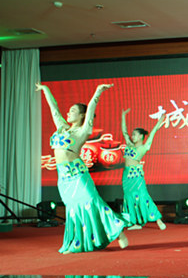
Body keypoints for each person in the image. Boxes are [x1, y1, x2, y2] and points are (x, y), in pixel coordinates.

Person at [37, 82, 129, 253]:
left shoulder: (83, 131)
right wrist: (45, 90)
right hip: (64, 177)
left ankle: (118, 231)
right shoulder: (62, 128)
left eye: (72, 111)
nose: (68, 113)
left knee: (92, 201)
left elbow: (91, 107)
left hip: (78, 175)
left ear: (81, 116)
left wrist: (98, 92)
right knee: (73, 209)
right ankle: (77, 242)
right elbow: (54, 109)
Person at [120, 109, 167, 230]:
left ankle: (158, 220)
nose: (132, 136)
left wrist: (159, 122)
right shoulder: (129, 145)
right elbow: (124, 131)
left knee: (143, 196)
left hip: (136, 175)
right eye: (132, 134)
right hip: (126, 175)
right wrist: (123, 116)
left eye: (135, 134)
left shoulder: (144, 147)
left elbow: (152, 133)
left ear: (141, 136)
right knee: (129, 198)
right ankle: (135, 223)